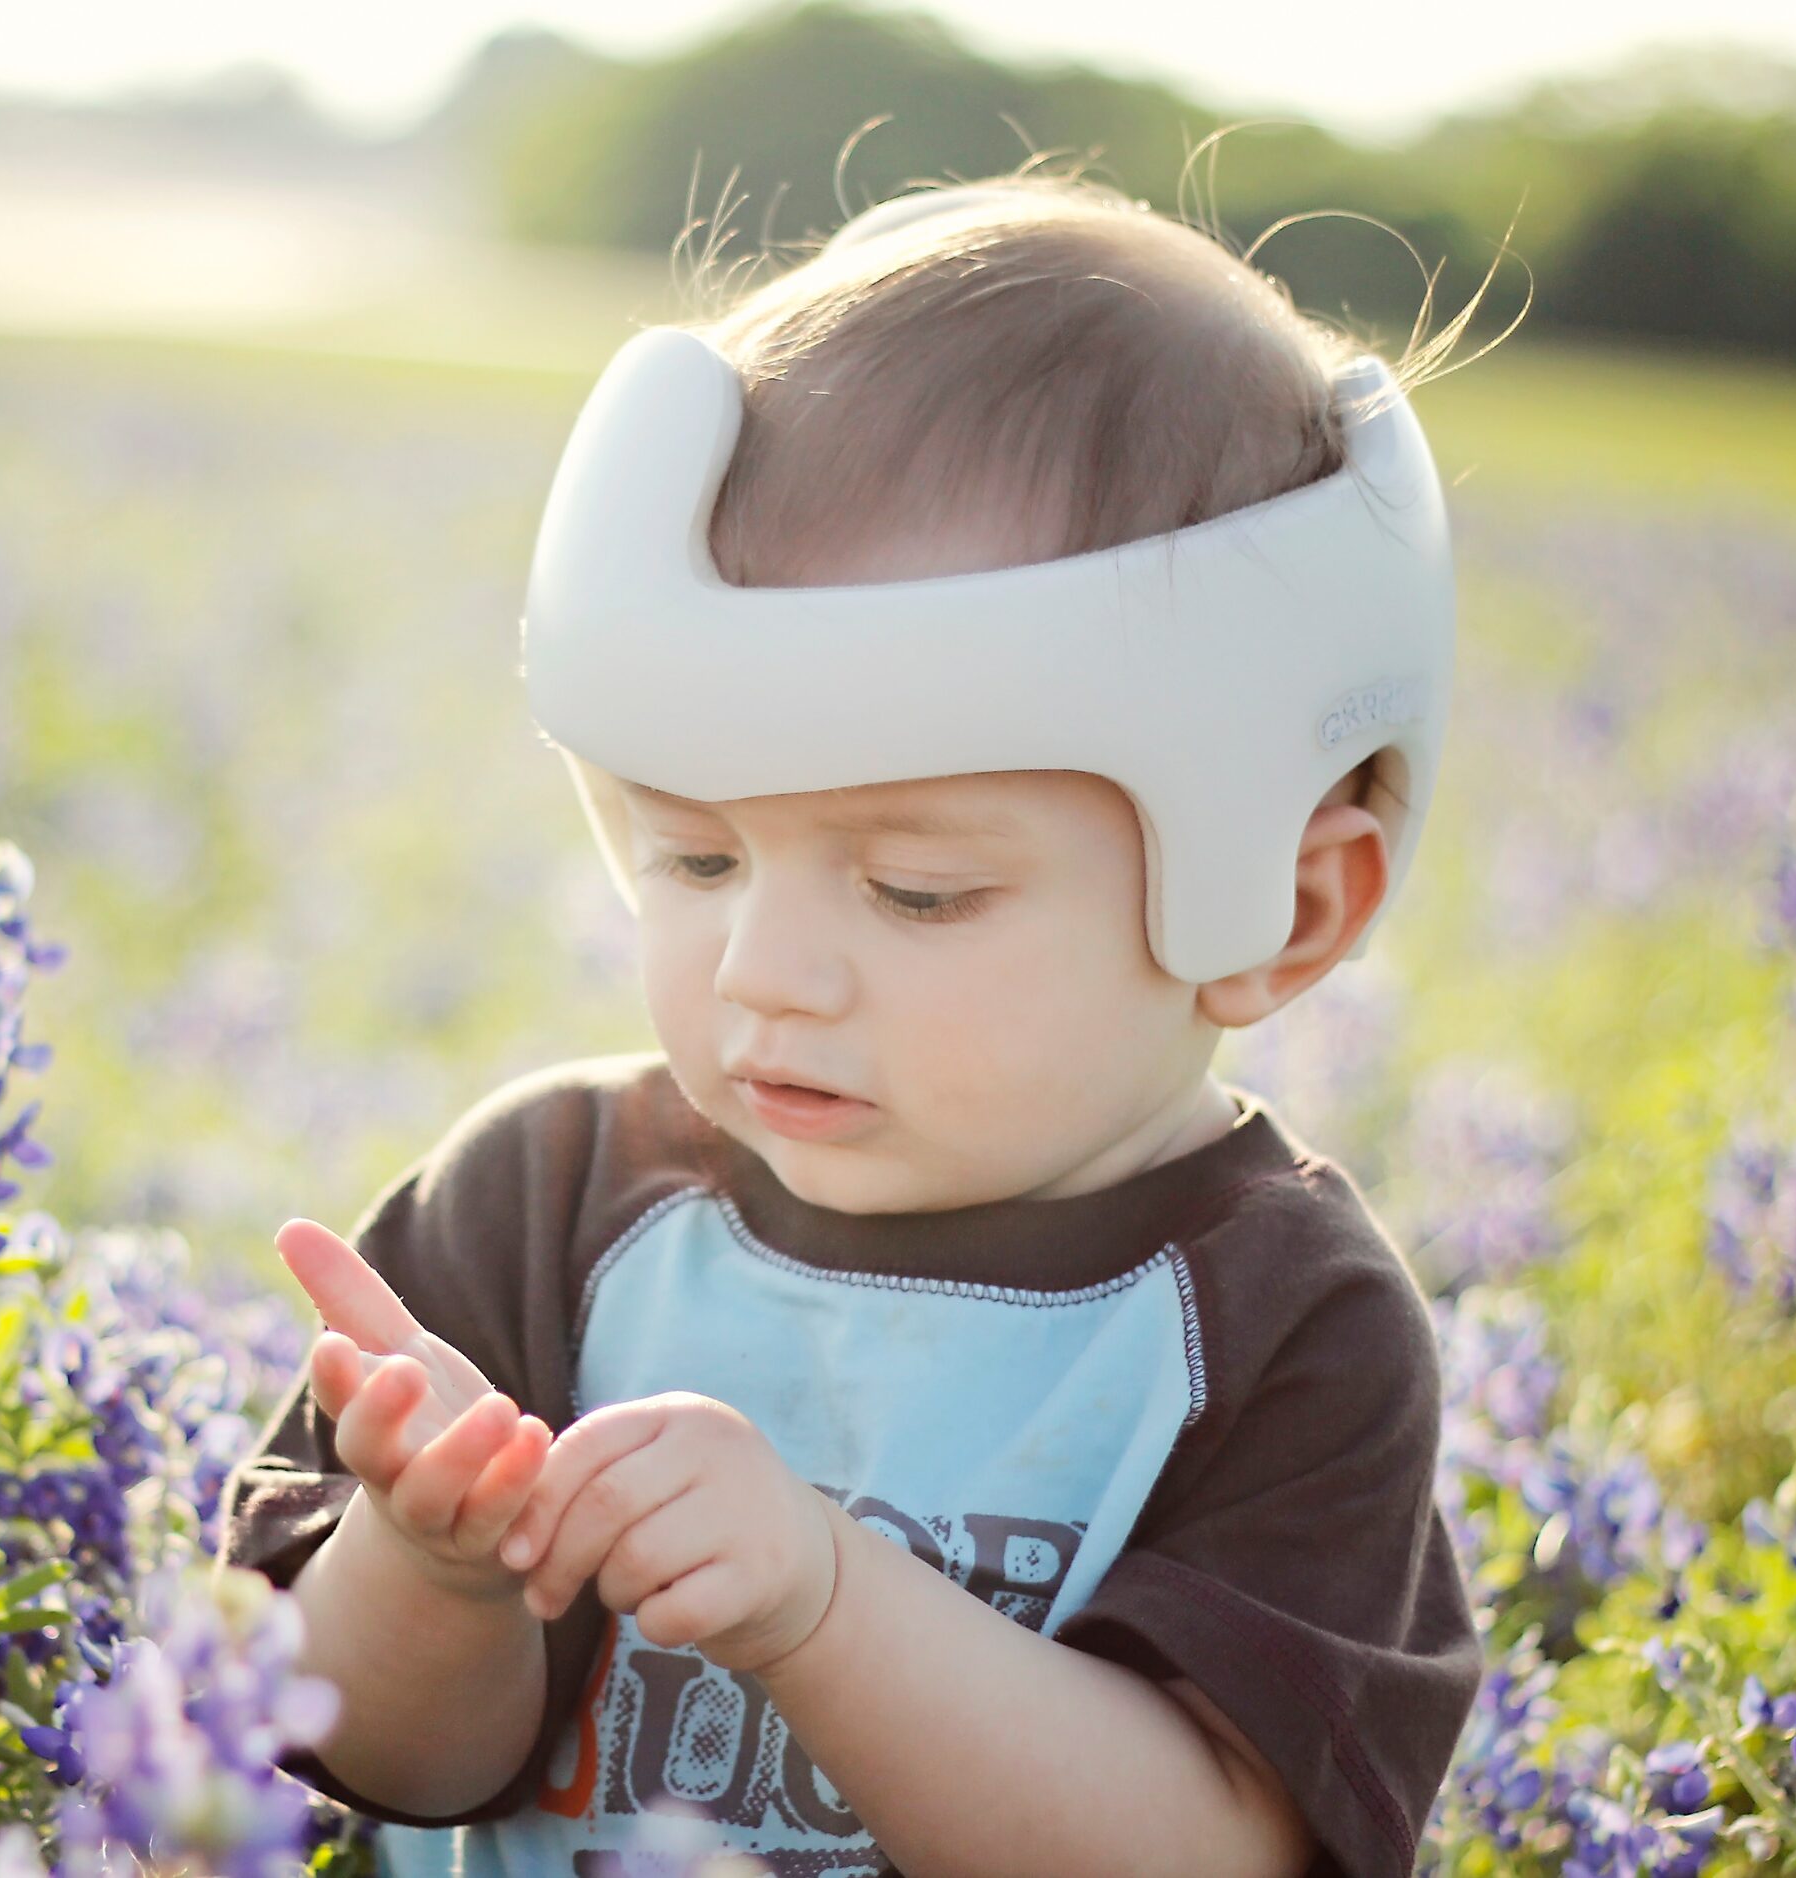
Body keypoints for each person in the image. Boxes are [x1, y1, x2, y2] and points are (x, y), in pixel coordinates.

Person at [218, 170, 1483, 1878]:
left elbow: (1202, 1851)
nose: (762, 971)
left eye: (915, 892)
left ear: (1285, 905)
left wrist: (823, 1603)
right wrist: (435, 1568)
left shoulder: (1280, 1329)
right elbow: (372, 1754)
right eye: (695, 854)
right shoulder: (543, 1200)